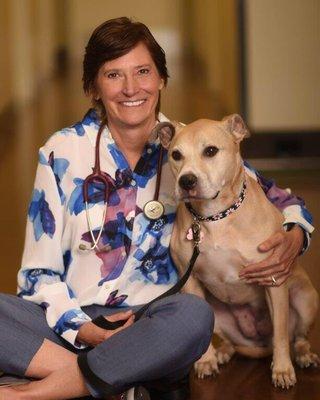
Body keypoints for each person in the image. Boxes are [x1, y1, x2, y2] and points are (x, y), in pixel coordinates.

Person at [0, 16, 313, 400]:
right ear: (93, 87)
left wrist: (296, 234)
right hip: (76, 319)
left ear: (162, 79)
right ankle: (107, 379)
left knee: (194, 317)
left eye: (143, 71)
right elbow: (36, 274)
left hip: (152, 321)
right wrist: (82, 328)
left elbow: (274, 196)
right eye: (113, 75)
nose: (131, 88)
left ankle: (40, 387)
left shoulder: (190, 143)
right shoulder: (61, 152)